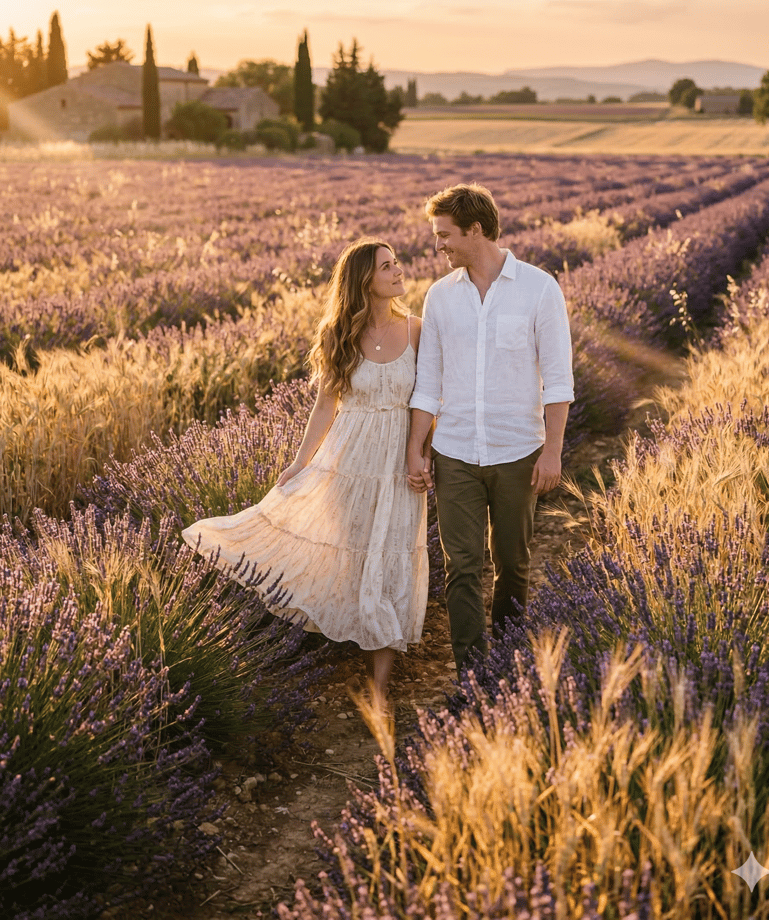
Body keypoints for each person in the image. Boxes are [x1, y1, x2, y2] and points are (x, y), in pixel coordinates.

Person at [183, 238, 429, 706]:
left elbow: (428, 398)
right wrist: (301, 461)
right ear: (364, 281)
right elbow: (326, 403)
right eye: (386, 266)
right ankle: (340, 654)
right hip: (347, 459)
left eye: (397, 263)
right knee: (352, 556)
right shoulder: (339, 333)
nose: (398, 271)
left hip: (396, 463)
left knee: (392, 555)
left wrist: (422, 452)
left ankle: (380, 685)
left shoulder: (418, 329)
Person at [406, 183, 574, 674]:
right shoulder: (439, 296)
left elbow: (559, 380)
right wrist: (418, 450)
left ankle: (505, 658)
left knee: (513, 564)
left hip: (518, 450)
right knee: (462, 567)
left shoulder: (539, 288)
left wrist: (553, 452)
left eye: (444, 235)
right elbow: (427, 382)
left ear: (475, 230)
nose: (438, 245)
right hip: (455, 451)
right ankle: (472, 672)